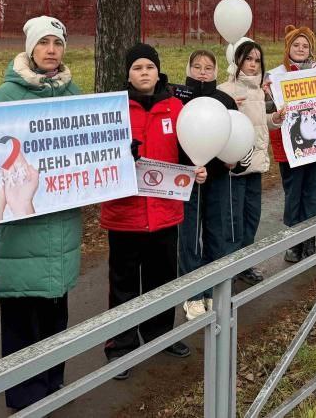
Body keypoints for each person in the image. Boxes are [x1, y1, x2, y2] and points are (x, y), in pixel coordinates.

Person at [0, 16, 83, 411]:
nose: (51, 50)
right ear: (30, 49)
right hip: (22, 228)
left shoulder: (75, 94)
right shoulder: (6, 96)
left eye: (58, 42)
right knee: (22, 314)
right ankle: (24, 397)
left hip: (61, 227)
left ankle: (54, 385)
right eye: (44, 43)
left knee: (56, 310)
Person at [100, 43, 207, 380]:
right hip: (125, 214)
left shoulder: (176, 107)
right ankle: (121, 345)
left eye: (149, 66)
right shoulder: (112, 109)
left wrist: (197, 168)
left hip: (164, 212)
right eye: (137, 67)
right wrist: (119, 153)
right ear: (128, 74)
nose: (144, 72)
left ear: (158, 71)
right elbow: (97, 156)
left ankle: (161, 335)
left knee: (162, 279)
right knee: (124, 282)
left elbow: (189, 149)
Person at [171, 50, 238, 319]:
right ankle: (192, 294)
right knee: (188, 237)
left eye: (208, 67)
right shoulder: (175, 97)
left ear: (216, 71)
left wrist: (234, 162)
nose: (202, 72)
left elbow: (236, 135)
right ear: (188, 69)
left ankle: (214, 290)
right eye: (196, 66)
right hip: (185, 177)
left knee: (216, 231)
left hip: (218, 176)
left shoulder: (225, 100)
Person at [219, 40, 279, 284]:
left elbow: (260, 122)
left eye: (257, 60)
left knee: (252, 217)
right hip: (234, 168)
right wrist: (229, 107)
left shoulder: (259, 90)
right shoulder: (225, 89)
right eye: (248, 59)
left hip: (255, 165)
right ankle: (229, 266)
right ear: (237, 61)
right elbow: (219, 123)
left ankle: (245, 264)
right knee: (233, 219)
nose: (253, 65)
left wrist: (275, 117)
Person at [267, 25, 316, 262]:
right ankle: (292, 240)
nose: (300, 49)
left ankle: (309, 238)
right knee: (294, 194)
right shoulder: (274, 74)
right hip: (290, 145)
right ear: (287, 47)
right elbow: (269, 113)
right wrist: (268, 93)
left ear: (311, 49)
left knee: (312, 192)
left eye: (305, 46)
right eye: (296, 45)